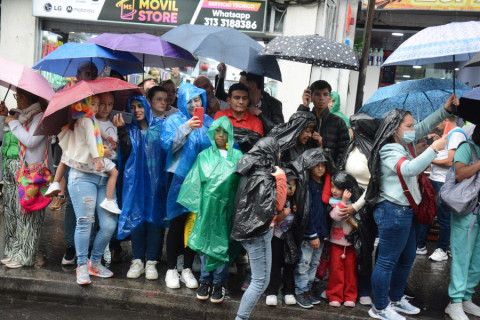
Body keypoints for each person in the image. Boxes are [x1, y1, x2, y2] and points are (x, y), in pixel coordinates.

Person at [365, 94, 457, 320]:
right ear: (395, 129)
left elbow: (425, 125)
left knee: (406, 258)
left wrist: (444, 110)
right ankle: (379, 307)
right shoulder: (389, 149)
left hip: (406, 211)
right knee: (387, 261)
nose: (413, 129)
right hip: (393, 211)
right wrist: (434, 149)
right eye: (408, 126)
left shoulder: (404, 142)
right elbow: (408, 169)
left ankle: (396, 299)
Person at [177, 116, 243, 303]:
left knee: (222, 246)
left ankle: (219, 283)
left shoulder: (238, 157)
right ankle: (205, 281)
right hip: (206, 209)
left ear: (229, 134)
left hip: (226, 210)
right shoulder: (204, 155)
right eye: (217, 130)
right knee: (206, 245)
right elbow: (194, 183)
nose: (220, 135)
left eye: (224, 131)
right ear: (212, 132)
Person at [160, 82, 213, 290]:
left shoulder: (208, 122)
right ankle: (172, 269)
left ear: (203, 100)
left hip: (200, 179)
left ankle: (187, 268)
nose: (193, 104)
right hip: (178, 179)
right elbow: (167, 145)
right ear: (182, 101)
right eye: (189, 101)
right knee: (176, 224)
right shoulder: (174, 121)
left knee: (193, 224)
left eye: (197, 100)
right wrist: (185, 129)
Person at [231, 137, 287, 320]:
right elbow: (278, 205)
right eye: (277, 151)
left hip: (252, 232)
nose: (279, 155)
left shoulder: (252, 170)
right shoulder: (267, 176)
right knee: (259, 282)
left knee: (261, 281)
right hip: (259, 233)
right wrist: (281, 178)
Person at [113, 95, 167, 281]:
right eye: (133, 107)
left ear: (147, 107)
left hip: (156, 183)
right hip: (135, 182)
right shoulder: (129, 130)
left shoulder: (160, 127)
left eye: (140, 106)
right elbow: (126, 153)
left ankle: (151, 261)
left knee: (154, 220)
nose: (136, 110)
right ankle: (137, 260)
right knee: (136, 218)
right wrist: (121, 130)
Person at [45, 95, 121, 214]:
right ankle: (109, 199)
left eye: (97, 104)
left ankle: (55, 183)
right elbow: (91, 141)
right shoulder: (88, 121)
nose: (96, 108)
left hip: (75, 153)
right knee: (114, 172)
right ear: (84, 105)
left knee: (63, 161)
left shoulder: (82, 118)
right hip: (89, 157)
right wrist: (97, 159)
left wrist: (109, 139)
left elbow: (99, 130)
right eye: (93, 104)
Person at [57, 61, 99, 266]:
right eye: (87, 72)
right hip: (74, 156)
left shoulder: (99, 97)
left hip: (96, 160)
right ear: (78, 74)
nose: (90, 76)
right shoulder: (68, 95)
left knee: (91, 204)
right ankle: (71, 246)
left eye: (93, 73)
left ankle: (88, 246)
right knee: (73, 204)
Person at [0, 89, 48, 268]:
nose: (17, 100)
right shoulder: (18, 115)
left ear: (31, 98)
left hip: (30, 173)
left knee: (27, 215)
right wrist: (4, 117)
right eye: (16, 96)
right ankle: (13, 251)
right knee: (11, 212)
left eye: (20, 96)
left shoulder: (40, 117)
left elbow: (30, 141)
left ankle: (25, 256)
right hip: (13, 169)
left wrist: (13, 123)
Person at [336, 113, 380, 306]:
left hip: (364, 206)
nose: (350, 130)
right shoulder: (351, 146)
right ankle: (342, 287)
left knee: (364, 249)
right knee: (344, 248)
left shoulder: (371, 152)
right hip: (348, 203)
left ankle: (362, 289)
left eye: (353, 127)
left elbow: (374, 184)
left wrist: (356, 206)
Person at [416, 116, 467, 262]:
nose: (436, 121)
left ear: (446, 119)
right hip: (436, 179)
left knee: (444, 217)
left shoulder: (457, 134)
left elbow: (450, 161)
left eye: (439, 118)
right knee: (428, 212)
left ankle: (442, 249)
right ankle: (420, 245)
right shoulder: (450, 134)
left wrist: (428, 158)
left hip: (444, 182)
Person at [445, 125, 480, 320]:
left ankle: (466, 298)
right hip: (466, 210)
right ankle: (455, 302)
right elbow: (460, 174)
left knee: (477, 260)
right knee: (462, 256)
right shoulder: (467, 147)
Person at [293, 151, 331, 309]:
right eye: (317, 166)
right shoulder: (307, 187)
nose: (321, 169)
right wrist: (312, 234)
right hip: (311, 235)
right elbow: (306, 214)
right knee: (304, 263)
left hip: (321, 234)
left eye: (323, 165)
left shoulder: (326, 187)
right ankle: (300, 290)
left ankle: (307, 289)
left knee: (314, 263)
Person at [326, 171, 363, 308]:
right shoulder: (333, 203)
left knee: (350, 271)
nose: (334, 191)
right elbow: (335, 216)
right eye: (333, 187)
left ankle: (350, 296)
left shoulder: (355, 204)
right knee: (336, 270)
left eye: (338, 188)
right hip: (336, 242)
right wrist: (343, 202)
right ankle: (335, 295)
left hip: (351, 243)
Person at [298, 80, 350, 163]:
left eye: (325, 94)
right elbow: (293, 135)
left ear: (329, 98)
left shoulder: (339, 123)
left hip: (328, 171)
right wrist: (304, 106)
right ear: (311, 97)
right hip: (304, 170)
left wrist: (334, 172)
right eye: (317, 94)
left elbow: (343, 153)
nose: (321, 98)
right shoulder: (305, 119)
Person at [264, 178, 298, 307]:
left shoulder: (298, 199)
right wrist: (282, 215)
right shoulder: (276, 199)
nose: (291, 189)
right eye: (288, 185)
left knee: (290, 263)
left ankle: (289, 291)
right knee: (275, 264)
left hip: (290, 236)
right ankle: (272, 291)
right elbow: (270, 220)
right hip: (276, 235)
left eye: (294, 186)